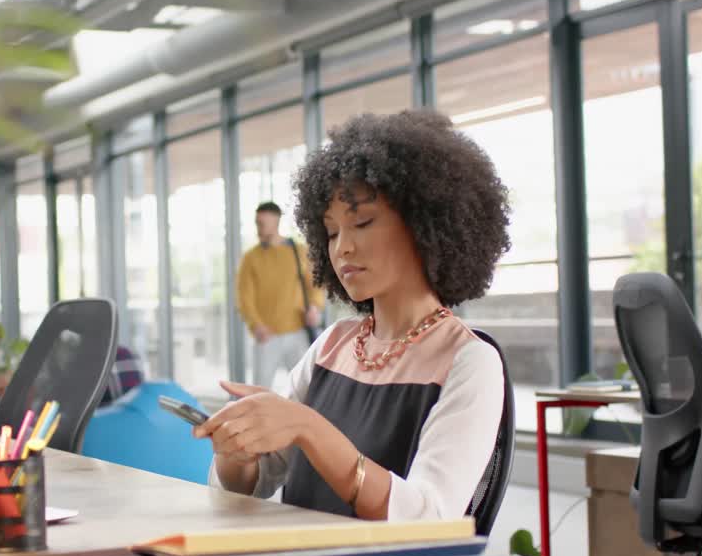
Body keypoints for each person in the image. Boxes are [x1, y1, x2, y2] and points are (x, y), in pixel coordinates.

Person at [196, 110, 511, 521]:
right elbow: (253, 483)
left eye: (362, 222)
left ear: (423, 224)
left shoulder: (470, 362)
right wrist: (238, 451)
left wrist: (309, 427)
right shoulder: (333, 344)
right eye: (330, 232)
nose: (341, 248)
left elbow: (429, 519)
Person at [236, 201, 326, 390]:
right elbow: (244, 297)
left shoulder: (299, 251)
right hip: (267, 335)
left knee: (305, 390)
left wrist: (315, 307)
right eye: (257, 223)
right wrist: (255, 324)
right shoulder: (251, 258)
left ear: (275, 222)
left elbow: (315, 285)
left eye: (262, 223)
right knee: (259, 391)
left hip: (298, 332)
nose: (258, 228)